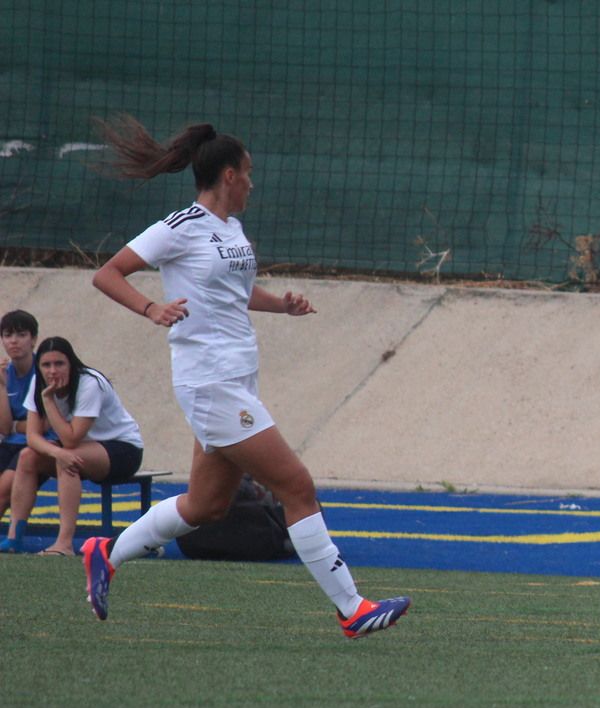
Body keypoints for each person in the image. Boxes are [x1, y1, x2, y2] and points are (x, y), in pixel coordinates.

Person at [83, 115, 409, 636]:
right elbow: (107, 273)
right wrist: (151, 309)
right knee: (297, 486)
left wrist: (281, 305)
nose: (253, 183)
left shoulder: (232, 230)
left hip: (236, 378)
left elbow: (233, 294)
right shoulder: (180, 227)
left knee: (206, 505)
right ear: (229, 175)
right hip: (210, 384)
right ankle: (353, 609)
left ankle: (105, 552)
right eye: (249, 173)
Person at [2, 336, 144, 556]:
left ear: (71, 363)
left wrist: (48, 401)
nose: (52, 371)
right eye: (46, 365)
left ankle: (64, 543)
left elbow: (71, 439)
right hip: (78, 449)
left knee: (67, 458)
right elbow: (32, 436)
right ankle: (14, 538)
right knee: (27, 457)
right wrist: (56, 451)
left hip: (122, 448)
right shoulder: (38, 383)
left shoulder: (90, 382)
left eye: (59, 364)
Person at [0, 309, 41, 549]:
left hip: (40, 443)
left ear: (33, 339)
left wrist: (20, 426)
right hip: (12, 442)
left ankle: (14, 538)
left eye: (21, 334)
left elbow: (44, 424)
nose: (13, 340)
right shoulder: (6, 373)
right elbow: (5, 428)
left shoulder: (44, 368)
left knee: (5, 486)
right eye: (7, 335)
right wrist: (2, 387)